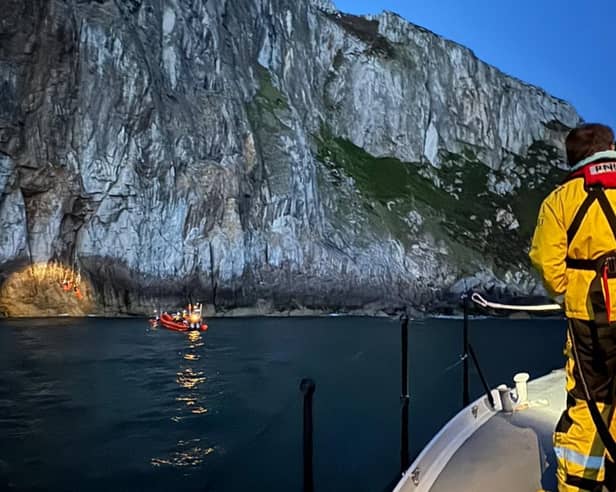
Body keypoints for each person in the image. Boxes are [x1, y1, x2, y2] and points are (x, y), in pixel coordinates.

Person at [530, 123, 616, 492]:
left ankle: (582, 484)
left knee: (589, 400)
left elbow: (546, 264)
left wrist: (569, 289)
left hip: (590, 315)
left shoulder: (561, 199)